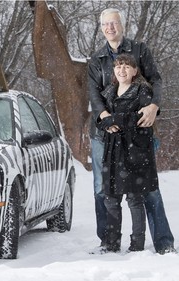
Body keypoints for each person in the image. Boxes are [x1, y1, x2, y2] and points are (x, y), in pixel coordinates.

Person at [87, 7, 175, 254]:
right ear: (102, 27)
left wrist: (154, 106)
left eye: (114, 23)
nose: (110, 28)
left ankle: (164, 242)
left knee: (146, 187)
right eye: (106, 24)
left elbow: (155, 79)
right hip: (105, 134)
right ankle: (108, 241)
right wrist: (104, 116)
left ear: (122, 25)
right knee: (103, 189)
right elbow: (94, 93)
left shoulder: (139, 50)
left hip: (136, 135)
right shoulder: (97, 59)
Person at [96, 54, 157, 252]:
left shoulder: (143, 91)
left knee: (134, 199)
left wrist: (114, 119)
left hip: (134, 151)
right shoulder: (109, 92)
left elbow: (142, 118)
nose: (121, 70)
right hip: (112, 151)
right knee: (110, 199)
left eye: (126, 67)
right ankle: (112, 243)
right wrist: (105, 123)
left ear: (134, 71)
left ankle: (137, 244)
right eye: (118, 67)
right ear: (113, 71)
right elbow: (100, 120)